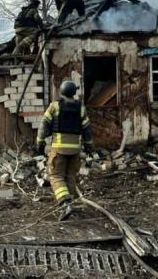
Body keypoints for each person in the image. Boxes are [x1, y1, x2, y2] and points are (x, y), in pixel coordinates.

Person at [36, 80, 94, 220]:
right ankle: (71, 205)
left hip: (59, 149)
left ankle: (66, 204)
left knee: (55, 176)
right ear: (74, 92)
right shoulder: (81, 108)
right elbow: (87, 129)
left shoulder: (55, 106)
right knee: (70, 177)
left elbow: (44, 125)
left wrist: (40, 142)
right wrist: (89, 146)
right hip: (75, 151)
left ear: (61, 91)